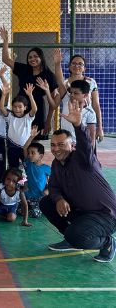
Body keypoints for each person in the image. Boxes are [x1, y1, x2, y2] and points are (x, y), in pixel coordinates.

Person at [41, 100, 116, 263]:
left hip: (104, 215)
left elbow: (86, 144)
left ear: (72, 145)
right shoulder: (56, 163)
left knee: (76, 236)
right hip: (81, 212)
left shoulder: (82, 158)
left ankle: (107, 242)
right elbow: (53, 187)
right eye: (53, 145)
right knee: (47, 203)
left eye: (61, 144)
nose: (56, 149)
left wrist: (78, 125)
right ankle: (71, 238)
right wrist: (59, 199)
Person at [0, 26, 58, 138]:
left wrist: (48, 120)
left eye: (36, 56)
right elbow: (6, 59)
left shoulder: (49, 76)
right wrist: (6, 41)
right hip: (20, 109)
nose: (32, 59)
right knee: (18, 137)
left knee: (34, 142)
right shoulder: (23, 69)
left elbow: (53, 103)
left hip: (37, 111)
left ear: (41, 58)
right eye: (30, 57)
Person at [53, 49, 103, 143]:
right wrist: (57, 63)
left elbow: (96, 105)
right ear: (69, 67)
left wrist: (100, 128)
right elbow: (59, 81)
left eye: (80, 64)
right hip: (68, 128)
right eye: (74, 63)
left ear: (84, 68)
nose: (77, 66)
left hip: (84, 124)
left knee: (87, 149)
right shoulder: (65, 85)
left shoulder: (91, 82)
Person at [0, 83, 38, 168]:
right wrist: (4, 94)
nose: (17, 109)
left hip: (25, 147)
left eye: (20, 107)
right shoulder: (10, 117)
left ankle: (28, 181)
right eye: (15, 107)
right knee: (13, 168)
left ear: (25, 107)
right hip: (12, 147)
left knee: (28, 167)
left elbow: (34, 109)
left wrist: (30, 95)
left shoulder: (28, 118)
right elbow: (2, 108)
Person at [18, 126, 51, 218]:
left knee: (36, 214)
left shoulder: (46, 168)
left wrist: (48, 190)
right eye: (29, 153)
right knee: (21, 212)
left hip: (39, 197)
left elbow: (55, 181)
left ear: (41, 156)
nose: (29, 155)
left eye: (33, 153)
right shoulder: (29, 164)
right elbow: (24, 148)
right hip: (27, 196)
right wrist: (31, 137)